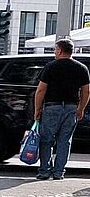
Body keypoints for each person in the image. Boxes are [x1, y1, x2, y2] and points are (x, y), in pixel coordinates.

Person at [32, 38, 90, 180]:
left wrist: (37, 109)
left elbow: (41, 90)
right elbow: (86, 91)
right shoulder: (82, 68)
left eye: (55, 50)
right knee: (65, 140)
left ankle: (45, 170)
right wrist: (81, 108)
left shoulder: (51, 67)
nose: (54, 52)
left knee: (46, 139)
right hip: (71, 108)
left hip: (52, 106)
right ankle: (59, 172)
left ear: (59, 50)